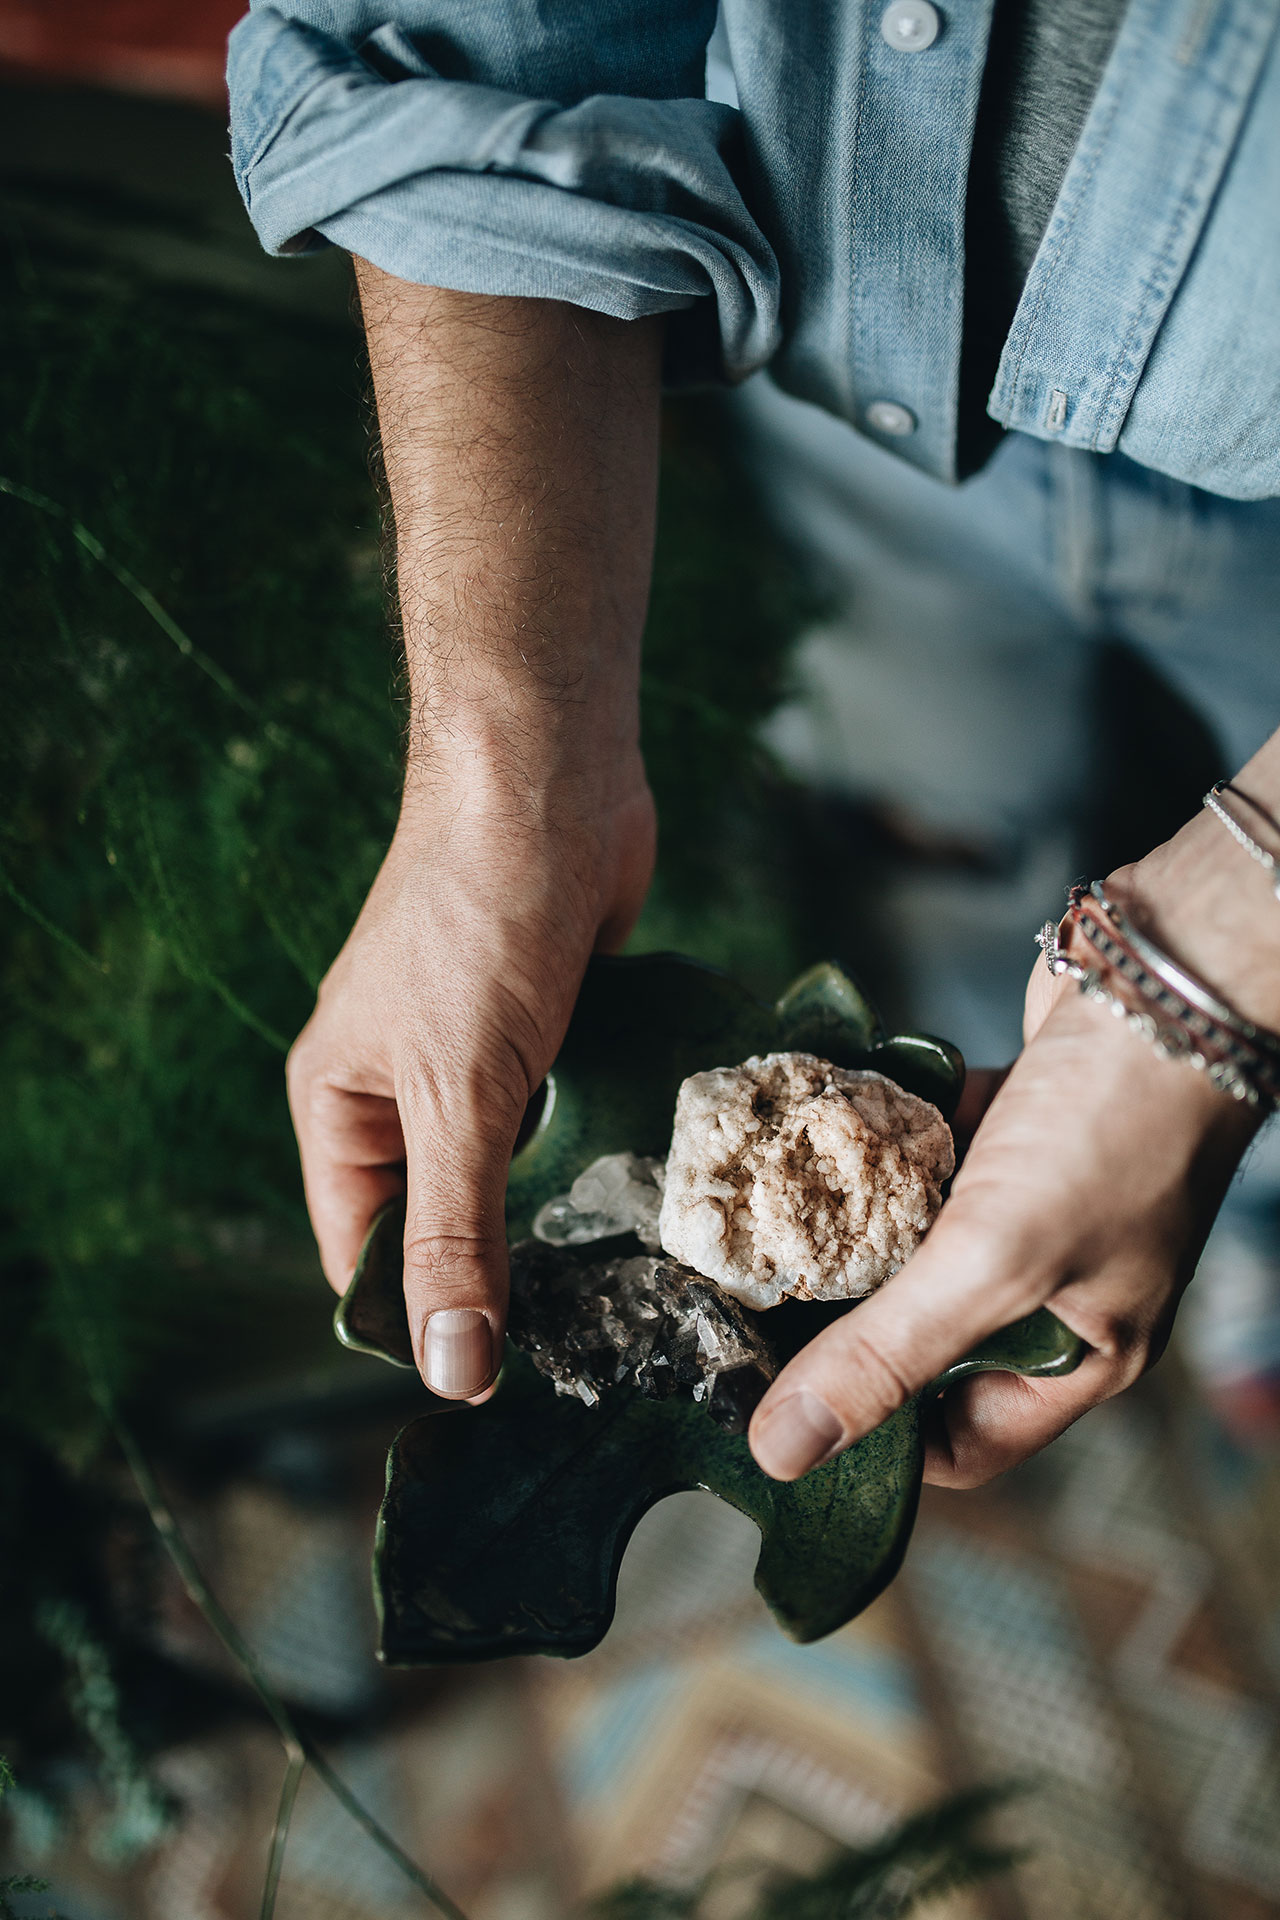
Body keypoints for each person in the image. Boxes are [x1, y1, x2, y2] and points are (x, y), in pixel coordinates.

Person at [226, 0, 1280, 1481]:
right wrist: (501, 771)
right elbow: (470, 36)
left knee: (1232, 1066)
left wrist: (1223, 974)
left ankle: (1254, 1199)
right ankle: (1086, 1185)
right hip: (866, 420)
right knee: (936, 836)